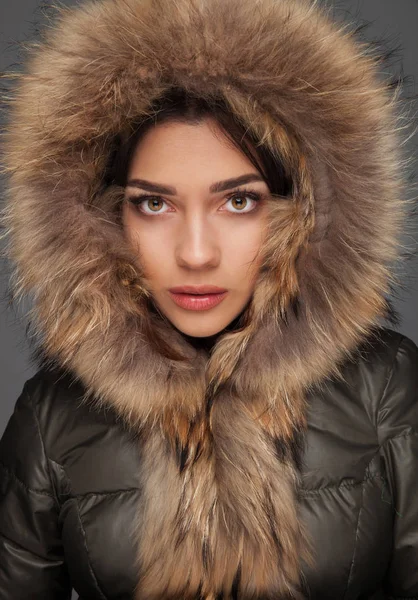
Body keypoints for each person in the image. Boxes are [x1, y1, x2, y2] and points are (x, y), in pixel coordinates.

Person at [0, 0, 417, 598]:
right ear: (102, 219)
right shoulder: (52, 417)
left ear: (304, 213)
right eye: (153, 203)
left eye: (239, 201)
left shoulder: (386, 388)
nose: (196, 253)